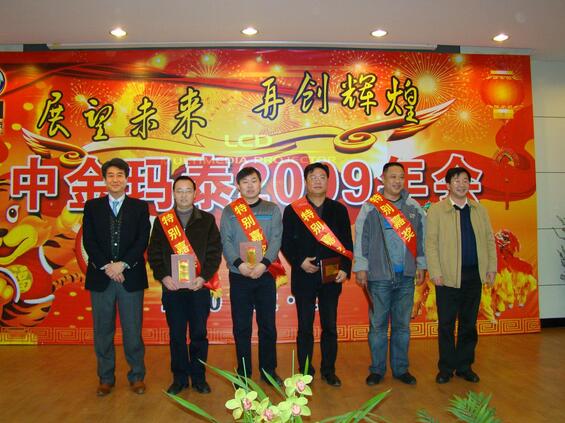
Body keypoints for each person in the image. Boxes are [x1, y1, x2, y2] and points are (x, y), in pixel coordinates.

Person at [353, 162, 426, 386]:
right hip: (379, 276)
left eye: (401, 177)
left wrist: (421, 264)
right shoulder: (371, 207)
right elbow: (361, 237)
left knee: (402, 326)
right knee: (378, 326)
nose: (397, 181)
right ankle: (377, 370)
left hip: (406, 276)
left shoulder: (413, 206)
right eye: (392, 177)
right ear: (383, 179)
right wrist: (361, 266)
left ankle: (401, 369)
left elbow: (422, 239)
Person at [82, 157, 150, 396]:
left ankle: (137, 376)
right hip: (101, 278)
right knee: (103, 332)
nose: (115, 179)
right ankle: (105, 378)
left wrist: (122, 265)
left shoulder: (140, 207)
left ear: (127, 179)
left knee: (133, 331)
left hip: (130, 278)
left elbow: (142, 240)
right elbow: (89, 240)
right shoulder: (92, 207)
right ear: (104, 179)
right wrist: (107, 266)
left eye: (120, 175)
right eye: (110, 175)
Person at [148, 175, 222, 395]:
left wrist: (204, 277)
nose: (183, 195)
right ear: (173, 193)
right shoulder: (163, 221)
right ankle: (179, 378)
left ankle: (199, 378)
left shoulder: (207, 220)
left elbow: (214, 253)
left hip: (198, 288)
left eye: (188, 190)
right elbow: (153, 253)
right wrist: (163, 277)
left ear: (195, 193)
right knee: (177, 335)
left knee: (199, 334)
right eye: (179, 191)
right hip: (172, 289)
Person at [281, 162, 353, 387]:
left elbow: (347, 243)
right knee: (305, 327)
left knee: (329, 326)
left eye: (322, 177)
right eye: (313, 177)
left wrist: (345, 268)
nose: (318, 181)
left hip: (331, 277)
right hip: (304, 277)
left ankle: (329, 370)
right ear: (306, 181)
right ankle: (305, 372)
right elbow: (285, 242)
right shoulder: (293, 210)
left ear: (328, 181)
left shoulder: (338, 210)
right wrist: (299, 261)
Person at [425, 167, 497, 384]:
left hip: (473, 276)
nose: (461, 184)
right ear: (448, 185)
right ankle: (446, 368)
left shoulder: (479, 209)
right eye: (456, 181)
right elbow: (431, 243)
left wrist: (491, 267)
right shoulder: (437, 210)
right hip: (447, 278)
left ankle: (465, 366)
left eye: (465, 180)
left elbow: (489, 240)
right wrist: (435, 272)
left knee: (469, 324)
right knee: (446, 325)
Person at [220, 166, 283, 385]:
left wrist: (264, 264)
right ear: (238, 186)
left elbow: (276, 239)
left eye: (253, 181)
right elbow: (226, 241)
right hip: (239, 275)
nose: (249, 186)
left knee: (268, 326)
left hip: (265, 274)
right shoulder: (230, 211)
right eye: (245, 182)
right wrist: (240, 265)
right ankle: (243, 372)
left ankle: (269, 370)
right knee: (242, 327)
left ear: (260, 183)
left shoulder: (272, 209)